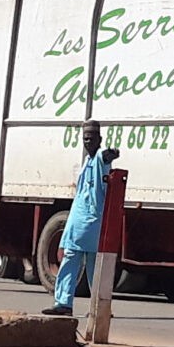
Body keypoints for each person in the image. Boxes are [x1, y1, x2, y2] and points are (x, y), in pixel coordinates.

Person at [52, 125, 119, 317]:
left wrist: (111, 153)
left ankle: (77, 304)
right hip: (79, 223)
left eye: (91, 138)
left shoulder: (99, 159)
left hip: (89, 223)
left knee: (85, 265)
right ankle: (80, 305)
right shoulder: (87, 162)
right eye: (85, 139)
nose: (88, 142)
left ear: (99, 139)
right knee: (82, 265)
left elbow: (106, 157)